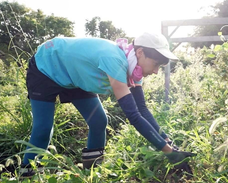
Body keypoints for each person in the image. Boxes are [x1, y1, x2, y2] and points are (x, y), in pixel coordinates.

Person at [20, 32, 195, 178]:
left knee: (98, 121)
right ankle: (27, 176)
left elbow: (142, 109)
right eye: (156, 64)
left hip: (75, 75)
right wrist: (167, 151)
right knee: (43, 129)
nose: (156, 71)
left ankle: (91, 174)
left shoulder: (135, 71)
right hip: (48, 65)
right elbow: (133, 115)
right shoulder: (114, 60)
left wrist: (167, 141)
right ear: (140, 52)